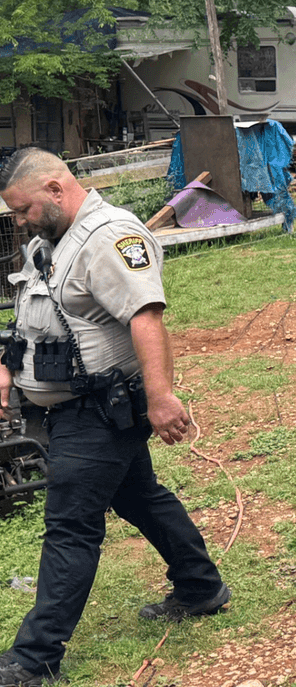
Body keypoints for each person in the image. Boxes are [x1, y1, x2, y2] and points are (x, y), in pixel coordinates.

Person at [0, 148, 229, 686]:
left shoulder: (110, 237)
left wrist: (162, 397)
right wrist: (7, 367)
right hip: (72, 406)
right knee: (136, 494)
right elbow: (32, 322)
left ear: (56, 189)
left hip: (102, 407)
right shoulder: (47, 243)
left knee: (70, 526)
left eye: (23, 209)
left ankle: (34, 658)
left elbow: (146, 316)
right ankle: (200, 587)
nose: (19, 221)